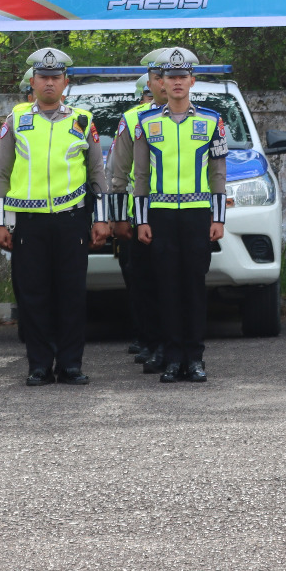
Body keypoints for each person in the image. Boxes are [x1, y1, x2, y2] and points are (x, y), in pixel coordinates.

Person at [0, 47, 109, 386]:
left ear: (65, 82)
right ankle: (39, 364)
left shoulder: (82, 120)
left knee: (71, 293)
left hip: (72, 219)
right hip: (29, 222)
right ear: (32, 81)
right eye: (43, 77)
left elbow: (97, 173)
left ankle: (71, 364)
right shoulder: (15, 120)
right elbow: (1, 174)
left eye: (55, 77)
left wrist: (100, 219)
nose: (49, 82)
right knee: (33, 294)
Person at [129, 48, 228, 382]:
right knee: (167, 288)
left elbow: (218, 173)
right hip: (160, 216)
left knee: (194, 288)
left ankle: (195, 358)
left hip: (198, 215)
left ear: (192, 81)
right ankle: (172, 359)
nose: (176, 83)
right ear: (161, 82)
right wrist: (141, 220)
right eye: (170, 77)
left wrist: (218, 219)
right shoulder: (146, 122)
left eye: (182, 77)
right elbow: (140, 176)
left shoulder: (212, 121)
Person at [107, 60, 170, 369]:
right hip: (139, 217)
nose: (159, 86)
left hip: (177, 213)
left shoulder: (193, 117)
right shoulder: (133, 120)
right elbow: (118, 174)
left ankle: (173, 346)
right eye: (154, 81)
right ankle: (149, 340)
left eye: (164, 78)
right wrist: (120, 218)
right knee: (143, 283)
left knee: (173, 285)